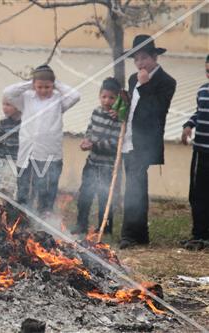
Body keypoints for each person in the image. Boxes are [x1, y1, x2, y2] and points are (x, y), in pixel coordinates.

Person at [120, 35, 176, 249]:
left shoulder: (166, 82)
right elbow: (133, 108)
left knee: (134, 187)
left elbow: (157, 111)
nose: (140, 63)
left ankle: (129, 234)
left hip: (145, 143)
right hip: (129, 139)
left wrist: (145, 86)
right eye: (136, 59)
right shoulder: (134, 78)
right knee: (136, 187)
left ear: (154, 57)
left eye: (143, 58)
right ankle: (140, 233)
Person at [3, 65, 80, 214]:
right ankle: (23, 218)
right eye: (39, 87)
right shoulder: (26, 99)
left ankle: (45, 220)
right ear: (34, 86)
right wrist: (30, 83)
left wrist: (56, 83)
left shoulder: (59, 100)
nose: (43, 90)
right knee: (24, 188)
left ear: (53, 85)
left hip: (50, 154)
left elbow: (75, 95)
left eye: (47, 87)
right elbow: (7, 93)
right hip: (28, 152)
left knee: (46, 189)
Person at [72, 78, 122, 235]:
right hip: (92, 162)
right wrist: (86, 141)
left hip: (107, 166)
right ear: (100, 96)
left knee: (104, 198)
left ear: (118, 99)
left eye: (112, 98)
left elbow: (115, 144)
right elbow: (90, 130)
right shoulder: (96, 112)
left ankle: (105, 228)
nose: (107, 101)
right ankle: (81, 224)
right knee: (85, 195)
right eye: (104, 97)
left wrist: (95, 145)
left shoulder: (119, 118)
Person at [180, 54, 209, 250]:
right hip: (200, 151)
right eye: (208, 70)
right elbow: (199, 113)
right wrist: (189, 125)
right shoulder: (203, 90)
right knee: (197, 194)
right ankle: (199, 234)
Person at [0, 96, 22, 197]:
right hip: (3, 160)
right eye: (3, 104)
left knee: (8, 190)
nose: (4, 108)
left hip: (18, 163)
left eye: (8, 105)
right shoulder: (3, 123)